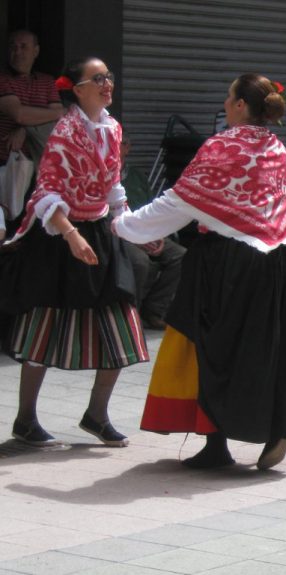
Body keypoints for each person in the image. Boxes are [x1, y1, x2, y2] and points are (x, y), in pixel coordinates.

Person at [113, 74, 286, 470]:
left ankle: (217, 445)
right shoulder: (277, 149)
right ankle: (282, 424)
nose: (226, 103)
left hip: (230, 266)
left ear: (241, 106)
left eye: (230, 97)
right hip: (284, 266)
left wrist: (123, 223)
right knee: (277, 351)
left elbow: (179, 201)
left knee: (213, 351)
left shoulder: (220, 148)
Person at [0, 57, 147, 448]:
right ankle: (25, 420)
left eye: (109, 77)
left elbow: (114, 187)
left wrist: (133, 228)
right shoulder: (65, 132)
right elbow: (46, 191)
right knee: (45, 326)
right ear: (77, 89)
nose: (107, 84)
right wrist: (70, 235)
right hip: (59, 233)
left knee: (122, 321)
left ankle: (96, 415)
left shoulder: (112, 128)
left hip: (98, 230)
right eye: (98, 79)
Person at [0, 29, 64, 235]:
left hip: (40, 170)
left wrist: (25, 129)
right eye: (13, 47)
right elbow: (18, 114)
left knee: (35, 231)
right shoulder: (3, 80)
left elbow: (60, 114)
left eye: (23, 47)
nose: (17, 52)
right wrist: (27, 121)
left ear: (36, 51)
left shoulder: (46, 82)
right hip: (7, 166)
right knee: (9, 225)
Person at [119, 135, 185, 330]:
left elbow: (151, 208)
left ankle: (154, 310)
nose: (117, 148)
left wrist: (157, 233)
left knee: (181, 256)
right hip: (120, 233)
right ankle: (130, 314)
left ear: (127, 147)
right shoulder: (104, 175)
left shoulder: (137, 176)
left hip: (147, 231)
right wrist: (138, 238)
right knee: (140, 262)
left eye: (122, 143)